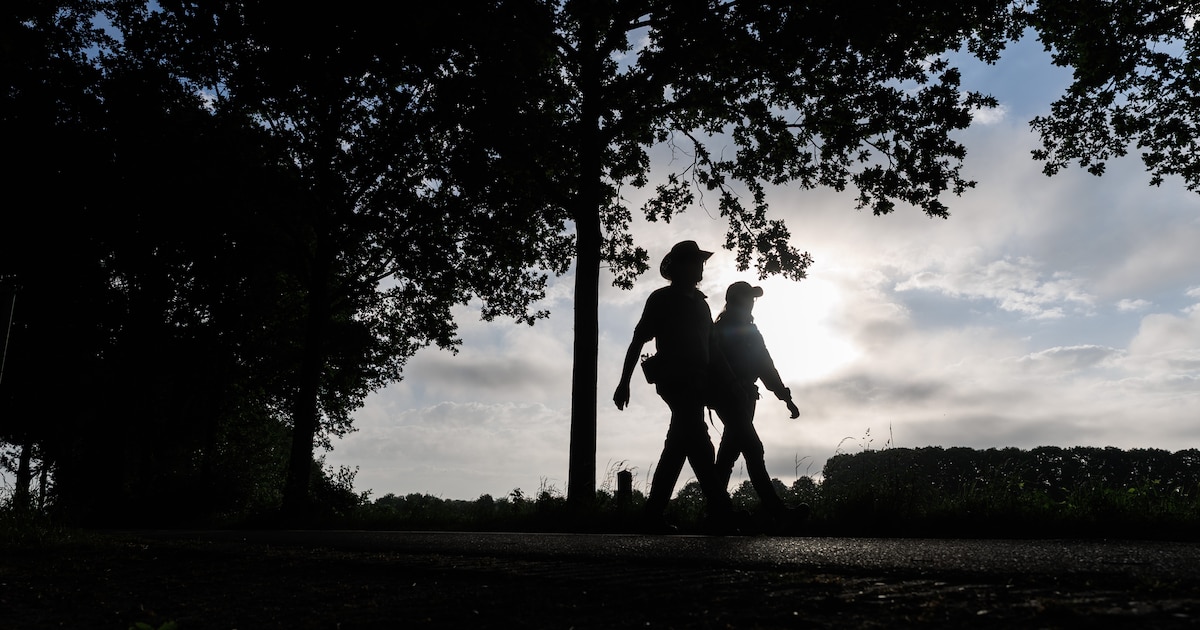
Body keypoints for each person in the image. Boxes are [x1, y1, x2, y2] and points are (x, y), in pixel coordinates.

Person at [613, 240, 736, 533]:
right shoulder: (661, 300)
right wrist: (623, 382)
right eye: (695, 262)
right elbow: (637, 341)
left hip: (698, 382)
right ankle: (722, 512)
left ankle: (653, 515)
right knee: (700, 446)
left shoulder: (703, 305)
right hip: (675, 381)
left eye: (701, 262)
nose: (700, 267)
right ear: (680, 267)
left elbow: (714, 351)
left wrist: (730, 383)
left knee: (680, 446)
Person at [710, 281, 804, 526]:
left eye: (753, 298)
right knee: (753, 448)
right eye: (748, 298)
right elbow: (716, 364)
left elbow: (766, 366)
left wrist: (785, 397)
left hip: (747, 397)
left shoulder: (751, 331)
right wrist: (731, 387)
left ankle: (716, 514)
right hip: (728, 397)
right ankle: (778, 512)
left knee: (729, 453)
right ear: (736, 301)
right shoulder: (720, 330)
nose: (752, 302)